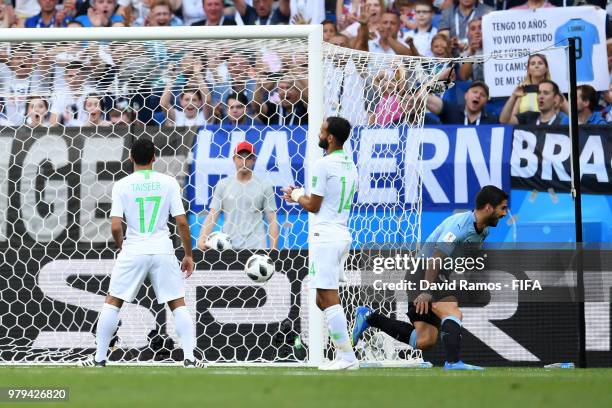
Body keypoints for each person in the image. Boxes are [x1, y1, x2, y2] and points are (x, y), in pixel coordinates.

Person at [353, 185, 509, 370]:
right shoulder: (459, 227)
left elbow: (463, 258)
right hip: (424, 272)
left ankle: (370, 317)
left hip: (438, 275)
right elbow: (435, 259)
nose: (505, 213)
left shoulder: (483, 231)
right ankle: (452, 363)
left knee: (425, 340)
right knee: (452, 312)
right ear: (488, 207)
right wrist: (426, 291)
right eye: (503, 208)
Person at [80, 138, 202, 368]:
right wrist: (188, 255)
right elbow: (182, 223)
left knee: (113, 302)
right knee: (177, 303)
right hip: (162, 248)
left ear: (130, 158)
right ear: (155, 157)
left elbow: (116, 226)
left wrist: (122, 247)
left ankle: (99, 359)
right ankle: (190, 358)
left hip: (134, 248)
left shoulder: (122, 185)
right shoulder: (169, 182)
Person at [282, 116, 359, 370]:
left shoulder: (323, 164)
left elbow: (313, 206)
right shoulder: (350, 164)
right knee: (321, 299)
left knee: (327, 297)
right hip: (341, 232)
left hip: (325, 235)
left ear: (331, 138)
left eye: (322, 130)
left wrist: (295, 195)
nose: (318, 133)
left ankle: (347, 358)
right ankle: (344, 354)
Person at [197, 141, 279, 250]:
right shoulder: (223, 184)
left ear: (254, 160)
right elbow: (213, 215)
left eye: (248, 158)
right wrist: (201, 239)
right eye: (240, 157)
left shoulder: (264, 186)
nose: (244, 161)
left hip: (256, 247)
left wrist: (274, 249)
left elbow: (272, 219)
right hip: (227, 247)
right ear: (234, 159)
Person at [427, 80, 498, 125]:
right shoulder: (451, 110)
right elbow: (423, 96)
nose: (478, 96)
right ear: (466, 95)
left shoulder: (492, 120)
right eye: (475, 92)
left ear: (486, 102)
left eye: (483, 95)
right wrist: (441, 81)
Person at [500, 79, 568, 125]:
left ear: (555, 99)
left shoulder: (563, 122)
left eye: (546, 93)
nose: (541, 96)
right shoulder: (529, 116)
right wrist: (514, 96)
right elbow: (504, 121)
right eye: (539, 93)